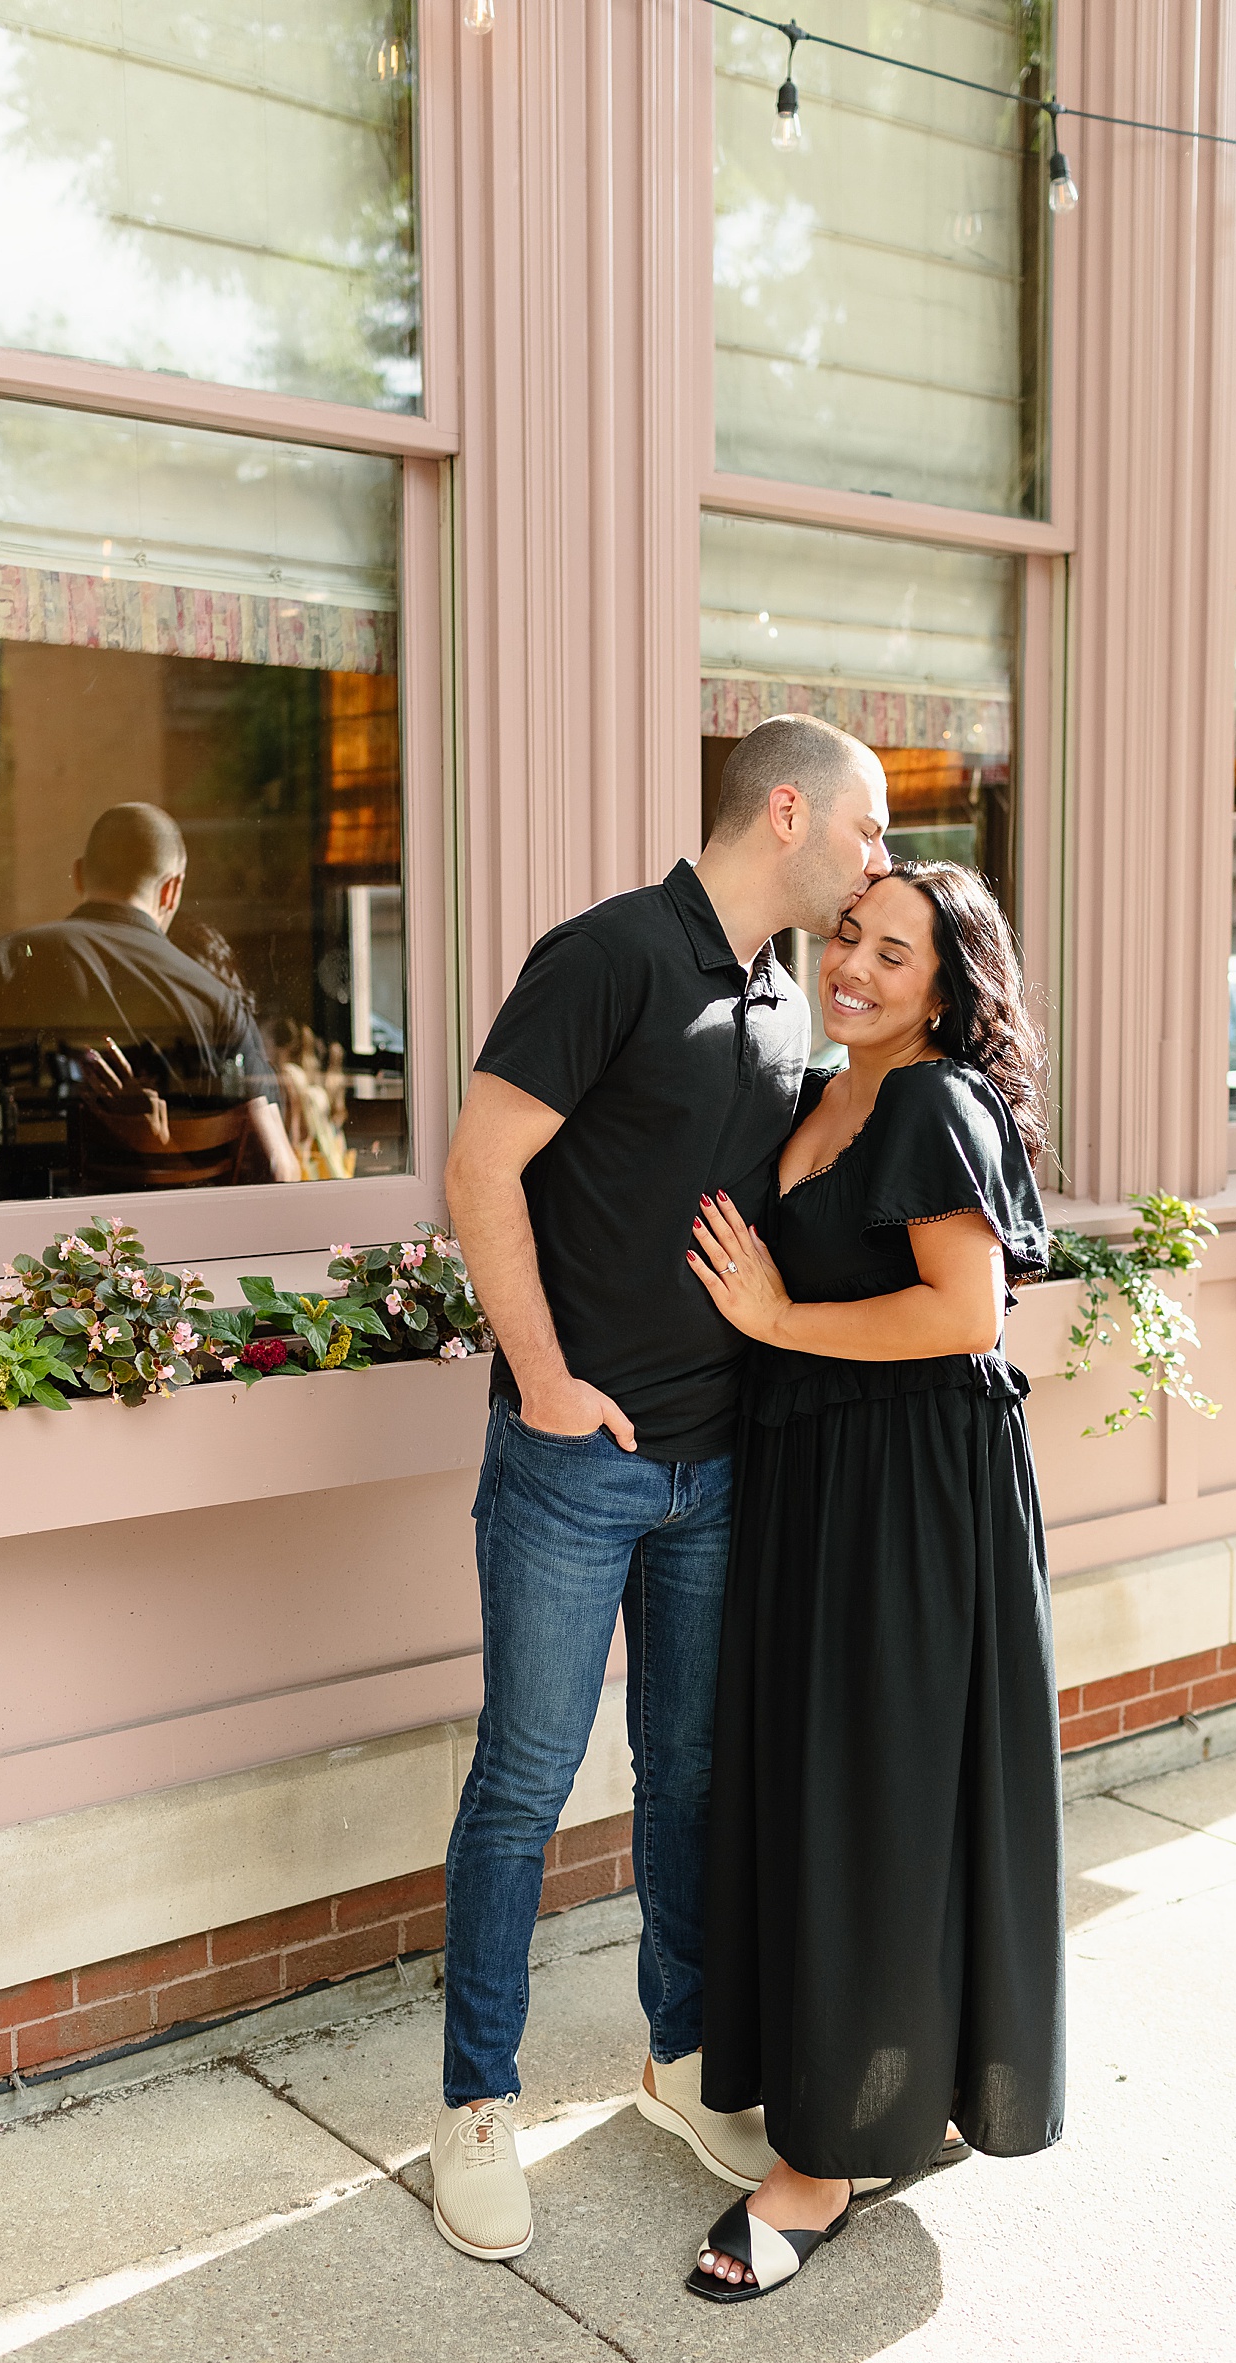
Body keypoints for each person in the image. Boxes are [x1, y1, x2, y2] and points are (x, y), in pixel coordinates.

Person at [429, 715, 893, 2263]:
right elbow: (480, 1168)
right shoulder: (610, 954)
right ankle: (475, 2104)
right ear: (788, 811)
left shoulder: (782, 1000)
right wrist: (550, 1387)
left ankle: (681, 2060)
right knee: (523, 1787)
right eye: (869, 832)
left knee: (690, 1780)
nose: (877, 862)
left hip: (720, 1472)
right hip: (574, 1469)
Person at [682, 858, 1064, 2304]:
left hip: (907, 1492)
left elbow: (967, 1313)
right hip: (817, 1475)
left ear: (950, 989)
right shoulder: (823, 1088)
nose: (854, 966)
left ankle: (821, 2165)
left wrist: (778, 1317)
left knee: (872, 1796)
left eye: (895, 953)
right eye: (847, 934)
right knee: (841, 1786)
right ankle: (902, 2085)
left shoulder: (928, 1100)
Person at [0, 803, 288, 1200]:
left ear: (80, 874)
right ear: (172, 889)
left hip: (35, 1254)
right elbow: (276, 1171)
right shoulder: (217, 1001)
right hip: (180, 1256)